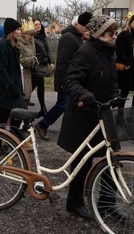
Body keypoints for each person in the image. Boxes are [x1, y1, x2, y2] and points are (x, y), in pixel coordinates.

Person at [58, 15, 119, 219]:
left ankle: (107, 202)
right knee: (83, 161)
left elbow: (111, 81)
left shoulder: (109, 53)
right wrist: (84, 94)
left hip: (104, 112)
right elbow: (71, 80)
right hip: (84, 115)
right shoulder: (86, 52)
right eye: (110, 33)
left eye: (115, 33)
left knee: (113, 158)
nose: (114, 37)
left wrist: (115, 97)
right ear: (99, 34)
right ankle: (74, 203)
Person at [35, 12, 92, 141]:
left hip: (72, 79)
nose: (86, 29)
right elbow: (63, 62)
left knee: (69, 106)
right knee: (63, 105)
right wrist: (64, 81)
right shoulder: (69, 37)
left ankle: (66, 130)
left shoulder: (76, 36)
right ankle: (42, 124)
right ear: (76, 24)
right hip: (66, 79)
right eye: (84, 26)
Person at [0, 18, 25, 125]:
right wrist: (10, 86)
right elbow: (1, 70)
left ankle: (10, 141)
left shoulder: (13, 46)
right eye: (18, 29)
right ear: (11, 31)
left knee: (16, 119)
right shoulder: (2, 46)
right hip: (5, 91)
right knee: (3, 118)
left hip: (13, 89)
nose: (20, 32)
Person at [115, 12, 134, 101]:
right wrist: (128, 62)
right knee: (124, 91)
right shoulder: (123, 34)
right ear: (130, 22)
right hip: (126, 67)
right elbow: (119, 50)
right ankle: (120, 112)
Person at [32, 19, 54, 116]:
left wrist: (51, 62)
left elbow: (48, 50)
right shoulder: (32, 38)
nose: (38, 26)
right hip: (36, 66)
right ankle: (42, 107)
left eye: (39, 24)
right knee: (35, 86)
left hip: (42, 65)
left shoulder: (42, 37)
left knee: (40, 86)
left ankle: (42, 107)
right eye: (36, 24)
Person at [18, 19, 38, 107]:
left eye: (32, 35)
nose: (31, 36)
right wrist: (32, 60)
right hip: (22, 74)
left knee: (27, 95)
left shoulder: (32, 43)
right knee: (23, 97)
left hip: (30, 72)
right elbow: (19, 60)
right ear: (24, 34)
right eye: (29, 34)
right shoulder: (19, 44)